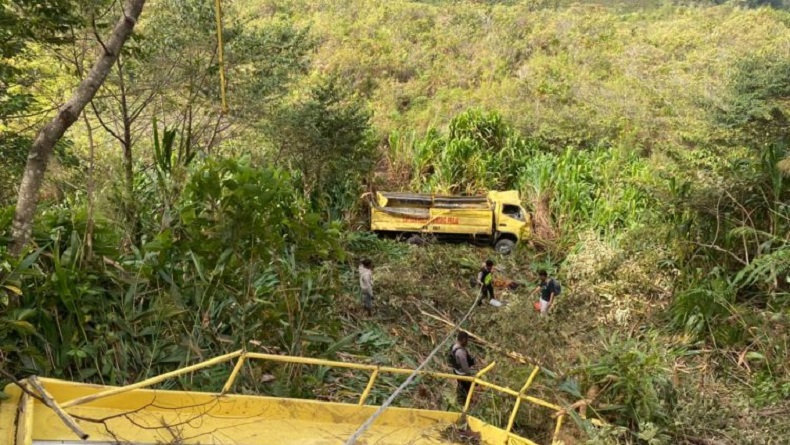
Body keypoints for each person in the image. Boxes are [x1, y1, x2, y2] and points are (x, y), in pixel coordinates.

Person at [450, 331, 476, 405]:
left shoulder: (454, 346)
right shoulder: (460, 352)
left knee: (461, 386)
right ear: (464, 340)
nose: (467, 342)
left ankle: (460, 399)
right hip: (462, 374)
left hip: (456, 371)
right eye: (467, 340)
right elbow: (465, 367)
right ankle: (466, 402)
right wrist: (471, 375)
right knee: (467, 389)